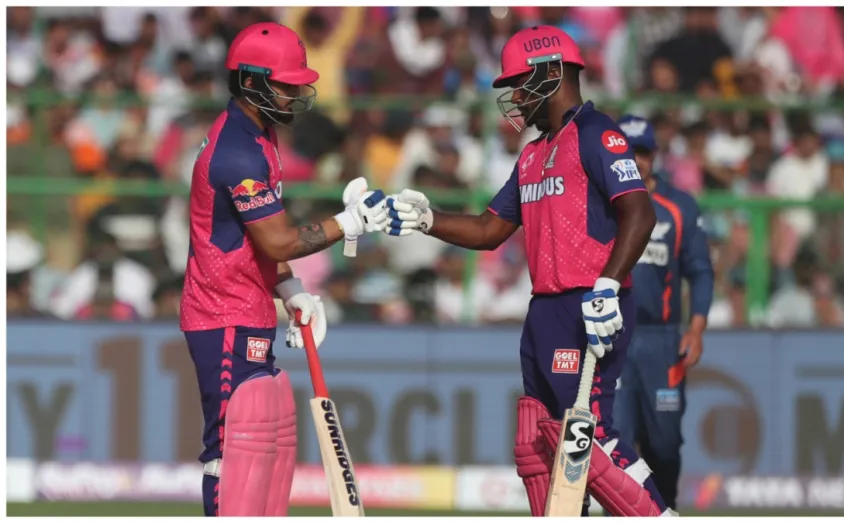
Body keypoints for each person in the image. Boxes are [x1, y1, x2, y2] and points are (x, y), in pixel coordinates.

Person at [383, 26, 675, 517]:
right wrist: (426, 219)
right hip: (543, 310)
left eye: (520, 83)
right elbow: (488, 230)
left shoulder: (596, 133)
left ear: (552, 73)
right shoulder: (534, 153)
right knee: (536, 439)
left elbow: (639, 213)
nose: (515, 97)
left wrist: (607, 287)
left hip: (588, 304)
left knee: (587, 436)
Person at [180, 22, 389, 517]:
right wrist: (348, 222)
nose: (296, 94)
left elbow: (258, 241)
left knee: (263, 445)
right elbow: (277, 239)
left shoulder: (259, 136)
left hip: (245, 306)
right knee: (232, 450)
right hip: (222, 315)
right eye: (286, 85)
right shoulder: (237, 153)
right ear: (252, 82)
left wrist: (290, 287)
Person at [613, 115, 714, 510]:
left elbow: (700, 271)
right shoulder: (600, 204)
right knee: (615, 442)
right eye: (627, 152)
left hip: (662, 341)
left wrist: (697, 329)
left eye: (642, 152)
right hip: (613, 338)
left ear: (654, 155)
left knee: (664, 444)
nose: (635, 161)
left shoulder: (679, 207)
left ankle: (665, 511)